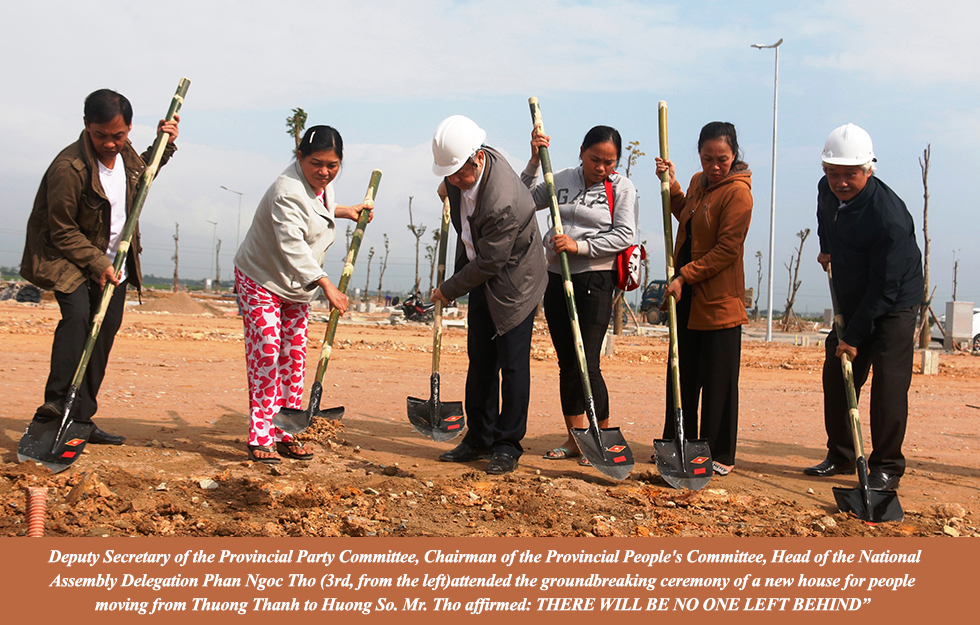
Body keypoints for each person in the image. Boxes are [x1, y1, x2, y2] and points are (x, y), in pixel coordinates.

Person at [20, 89, 180, 445]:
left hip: (115, 262)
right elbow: (62, 230)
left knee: (104, 331)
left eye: (117, 135)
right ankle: (55, 407)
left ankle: (80, 418)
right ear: (86, 126)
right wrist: (97, 262)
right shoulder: (69, 167)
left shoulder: (125, 154)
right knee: (78, 319)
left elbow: (144, 174)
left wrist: (164, 144)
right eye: (100, 135)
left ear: (129, 129)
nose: (109, 143)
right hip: (69, 260)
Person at [234, 125, 372, 465]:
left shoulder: (322, 184)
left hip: (297, 287)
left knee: (294, 358)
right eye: (316, 163)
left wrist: (345, 210)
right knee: (268, 353)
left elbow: (318, 208)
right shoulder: (286, 191)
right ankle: (261, 435)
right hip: (262, 278)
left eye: (332, 165)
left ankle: (287, 432)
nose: (324, 172)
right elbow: (293, 245)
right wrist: (326, 284)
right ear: (300, 158)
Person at [805, 123, 923, 490]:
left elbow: (885, 289)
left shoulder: (889, 218)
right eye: (833, 173)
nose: (840, 182)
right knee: (837, 375)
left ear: (868, 170)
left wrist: (854, 337)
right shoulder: (826, 189)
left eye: (850, 174)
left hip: (894, 302)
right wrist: (827, 248)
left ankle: (886, 467)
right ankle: (842, 455)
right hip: (854, 292)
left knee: (889, 385)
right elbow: (825, 217)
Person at [430, 115, 547, 475]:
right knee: (480, 360)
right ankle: (479, 436)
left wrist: (448, 289)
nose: (453, 181)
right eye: (448, 175)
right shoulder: (459, 173)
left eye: (458, 174)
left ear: (478, 159)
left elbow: (492, 261)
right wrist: (450, 185)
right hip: (480, 273)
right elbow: (470, 239)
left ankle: (507, 444)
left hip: (515, 281)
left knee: (512, 365)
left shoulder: (502, 200)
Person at [521, 126, 637, 465]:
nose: (601, 168)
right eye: (594, 159)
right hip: (557, 278)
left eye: (609, 162)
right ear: (582, 151)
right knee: (567, 362)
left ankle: (601, 437)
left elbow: (625, 234)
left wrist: (580, 246)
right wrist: (533, 161)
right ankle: (575, 438)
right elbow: (521, 201)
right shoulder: (559, 179)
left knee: (587, 361)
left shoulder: (622, 188)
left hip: (595, 279)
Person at [654, 121, 752, 476]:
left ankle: (718, 453)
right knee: (681, 375)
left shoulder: (738, 194)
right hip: (687, 300)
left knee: (718, 384)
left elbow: (727, 249)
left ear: (734, 155)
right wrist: (672, 185)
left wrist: (685, 276)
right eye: (707, 158)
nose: (714, 166)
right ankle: (678, 443)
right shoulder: (698, 182)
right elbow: (687, 216)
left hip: (718, 303)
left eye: (722, 159)